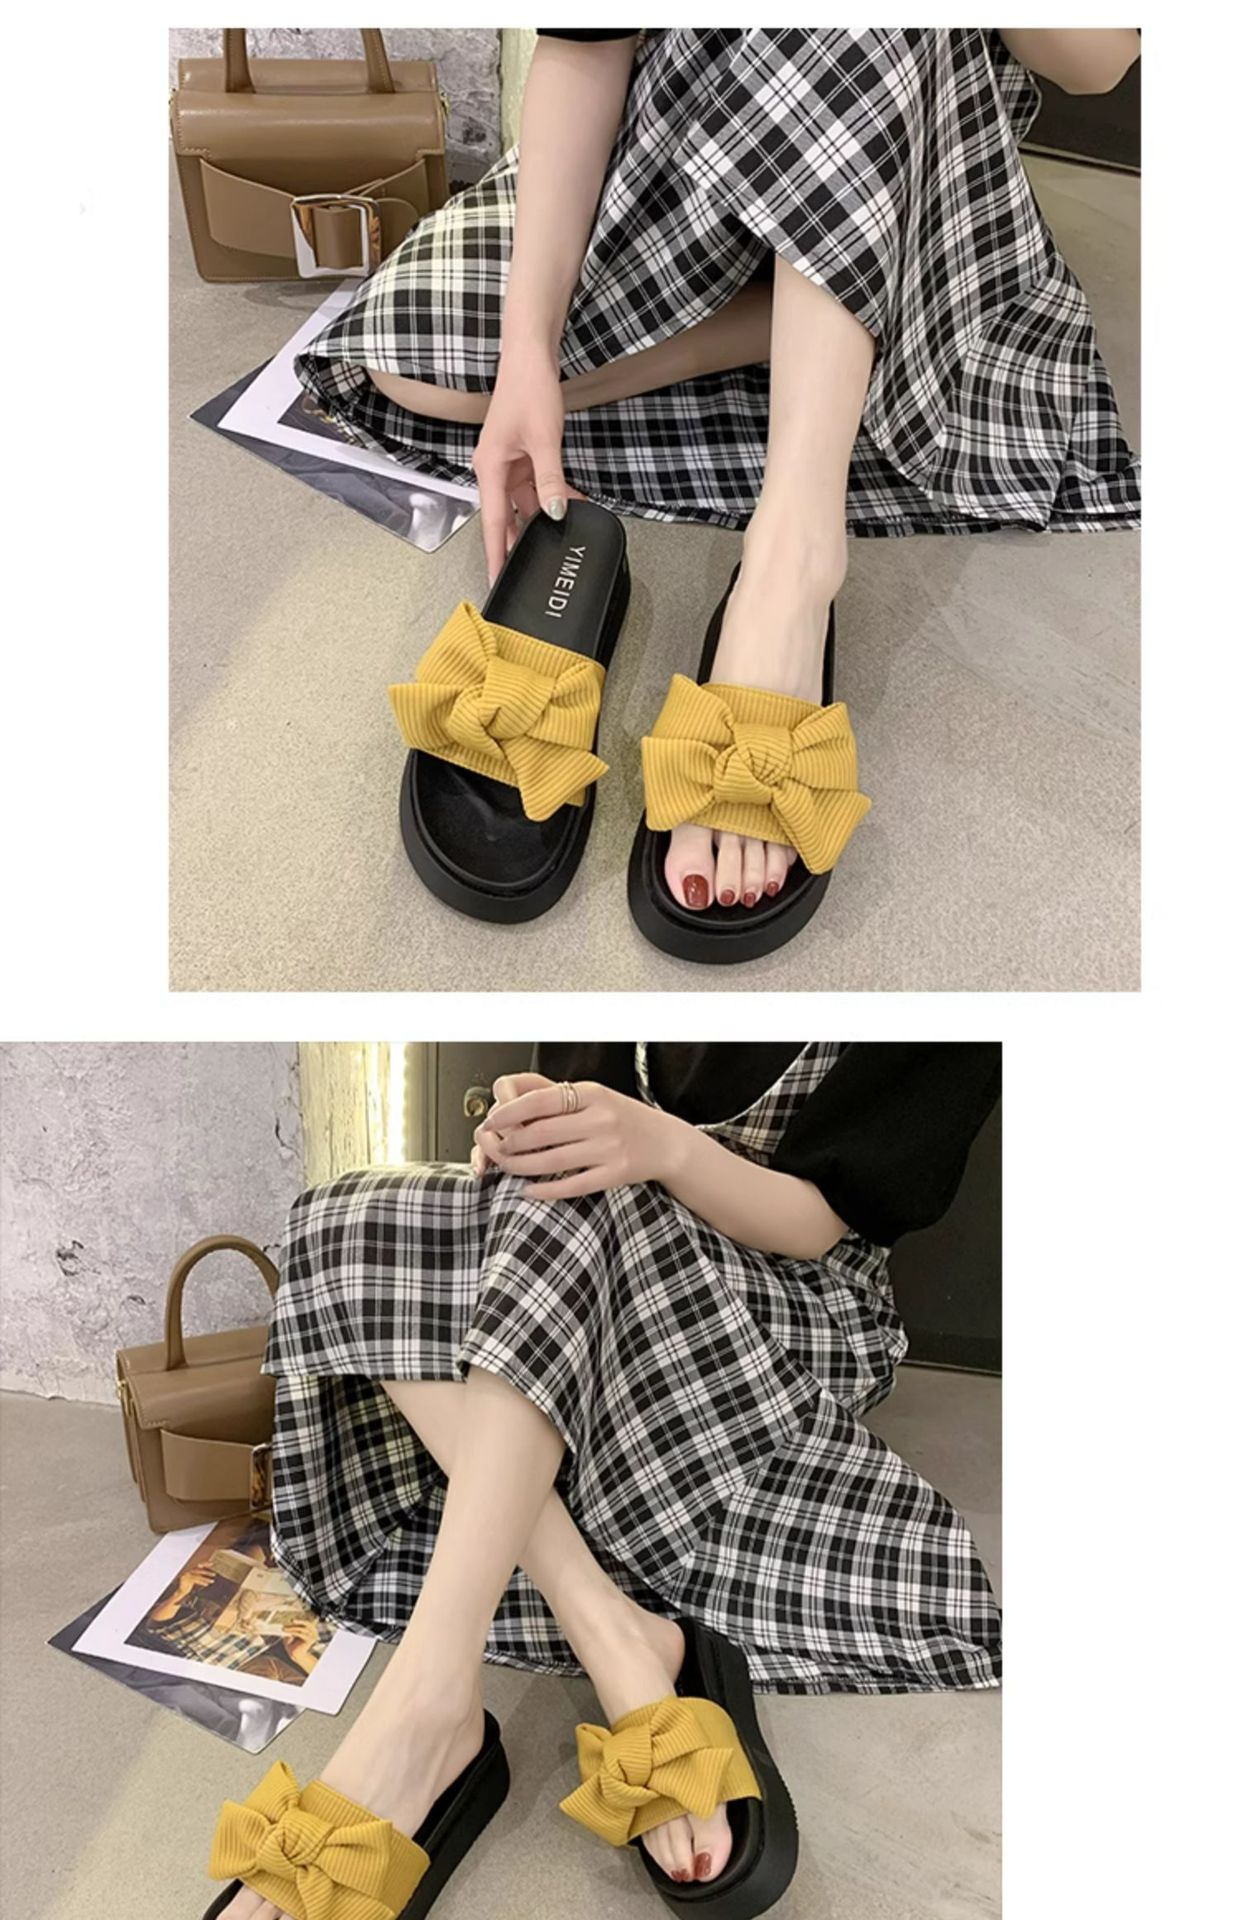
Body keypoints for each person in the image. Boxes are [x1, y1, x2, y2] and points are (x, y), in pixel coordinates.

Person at [296, 28, 1140, 915]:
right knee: (408, 366)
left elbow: (1094, 63)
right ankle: (821, 316)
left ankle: (790, 568)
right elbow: (585, 48)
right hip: (675, 160)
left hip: (909, 162)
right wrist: (530, 352)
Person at [207, 1042, 1001, 1919]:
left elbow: (826, 1222)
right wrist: (533, 1123)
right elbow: (581, 1119)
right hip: (603, 1244)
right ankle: (612, 1631)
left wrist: (661, 1145)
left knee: (579, 1203)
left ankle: (424, 1708)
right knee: (349, 1215)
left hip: (792, 1296)